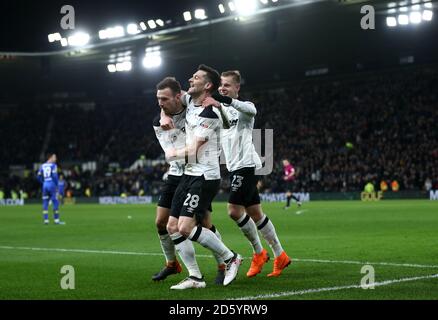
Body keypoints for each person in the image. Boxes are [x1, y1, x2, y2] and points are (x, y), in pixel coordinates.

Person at [202, 70, 291, 277]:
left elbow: (252, 111)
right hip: (235, 167)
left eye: (227, 85)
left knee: (234, 210)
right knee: (256, 213)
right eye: (221, 85)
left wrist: (224, 101)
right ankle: (280, 255)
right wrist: (218, 105)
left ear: (237, 88)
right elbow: (221, 124)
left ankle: (259, 253)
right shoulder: (220, 110)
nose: (222, 88)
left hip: (247, 165)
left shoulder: (244, 108)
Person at [164, 65, 242, 290]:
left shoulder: (210, 113)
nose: (190, 79)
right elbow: (169, 100)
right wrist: (163, 113)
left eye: (196, 77)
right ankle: (195, 278)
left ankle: (230, 258)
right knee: (172, 226)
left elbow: (195, 150)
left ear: (207, 85)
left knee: (186, 227)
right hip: (189, 175)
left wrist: (173, 154)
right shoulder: (190, 101)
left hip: (204, 177)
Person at [37, 153, 63, 225]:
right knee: (55, 202)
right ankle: (56, 220)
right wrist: (57, 185)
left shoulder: (42, 165)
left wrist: (43, 182)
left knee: (45, 202)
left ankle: (46, 220)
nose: (56, 159)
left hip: (45, 184)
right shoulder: (53, 165)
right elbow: (54, 176)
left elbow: (38, 176)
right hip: (51, 184)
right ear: (50, 158)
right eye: (55, 157)